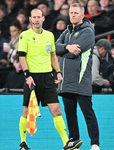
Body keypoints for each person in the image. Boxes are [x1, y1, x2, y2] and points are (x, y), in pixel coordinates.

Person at [18, 8, 82, 150]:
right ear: (30, 19)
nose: (36, 19)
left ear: (43, 19)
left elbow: (52, 55)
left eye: (38, 17)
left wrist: (58, 72)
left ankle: (66, 143)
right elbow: (21, 57)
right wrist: (27, 75)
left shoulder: (49, 35)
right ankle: (23, 144)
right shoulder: (25, 35)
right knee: (27, 112)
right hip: (32, 78)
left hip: (47, 77)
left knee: (57, 110)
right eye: (34, 17)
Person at [55, 3, 100, 150]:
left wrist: (64, 50)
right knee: (70, 113)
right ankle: (74, 140)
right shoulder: (66, 32)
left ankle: (95, 144)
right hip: (67, 81)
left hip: (81, 80)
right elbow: (55, 47)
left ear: (82, 15)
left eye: (75, 13)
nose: (72, 15)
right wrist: (67, 47)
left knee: (88, 113)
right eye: (71, 13)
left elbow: (77, 51)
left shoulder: (88, 31)